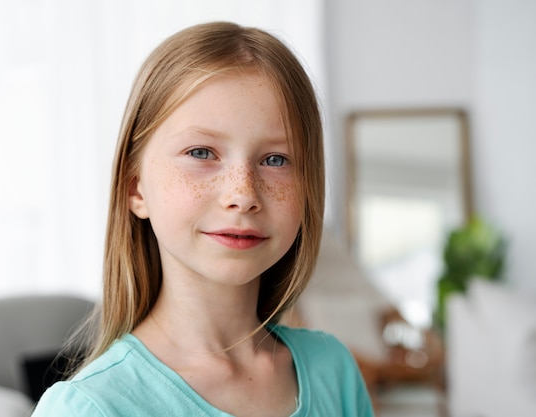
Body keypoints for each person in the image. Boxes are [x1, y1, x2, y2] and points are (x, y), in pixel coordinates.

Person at [32, 21, 374, 417]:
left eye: (275, 159)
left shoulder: (333, 369)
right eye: (201, 153)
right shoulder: (90, 408)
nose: (243, 195)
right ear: (135, 188)